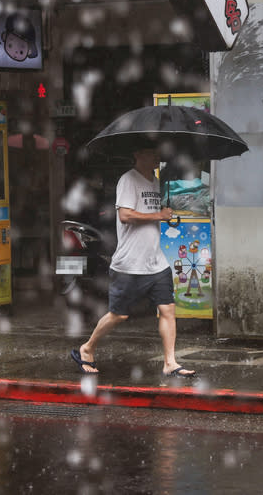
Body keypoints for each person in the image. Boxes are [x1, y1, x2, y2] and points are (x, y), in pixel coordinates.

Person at [71, 141, 196, 378]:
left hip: (155, 261)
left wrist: (164, 214)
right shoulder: (128, 180)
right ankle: (86, 349)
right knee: (119, 314)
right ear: (137, 154)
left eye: (157, 153)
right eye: (151, 153)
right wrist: (157, 214)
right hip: (130, 263)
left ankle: (170, 362)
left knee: (168, 309)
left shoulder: (155, 182)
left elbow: (149, 215)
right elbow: (125, 215)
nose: (156, 157)